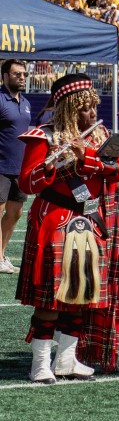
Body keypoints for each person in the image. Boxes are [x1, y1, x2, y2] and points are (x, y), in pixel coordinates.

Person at [16, 75, 119, 383]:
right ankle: (40, 363)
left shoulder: (99, 135)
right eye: (85, 108)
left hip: (89, 220)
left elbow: (118, 170)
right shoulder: (44, 136)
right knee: (50, 298)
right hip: (55, 218)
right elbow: (26, 183)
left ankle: (66, 359)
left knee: (81, 291)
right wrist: (51, 165)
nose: (92, 114)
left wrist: (84, 157)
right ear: (69, 108)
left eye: (93, 107)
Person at [0, 59, 31, 274]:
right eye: (16, 73)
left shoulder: (27, 103)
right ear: (4, 76)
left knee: (15, 212)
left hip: (20, 168)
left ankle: (0, 254)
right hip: (0, 166)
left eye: (24, 74)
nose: (21, 77)